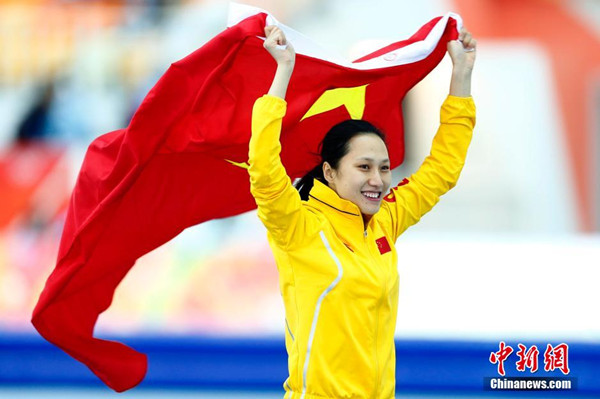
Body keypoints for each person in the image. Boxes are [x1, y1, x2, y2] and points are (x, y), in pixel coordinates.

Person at [248, 24, 476, 399]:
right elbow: (264, 170)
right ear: (330, 172)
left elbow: (442, 170)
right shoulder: (299, 226)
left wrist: (462, 75)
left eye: (384, 168)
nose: (378, 179)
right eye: (364, 167)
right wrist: (283, 70)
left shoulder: (387, 219)